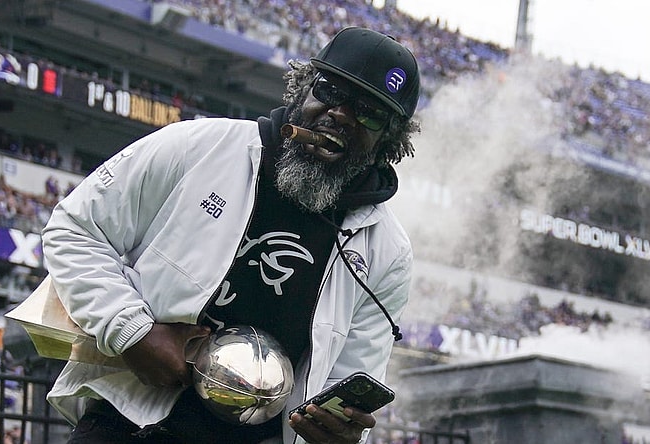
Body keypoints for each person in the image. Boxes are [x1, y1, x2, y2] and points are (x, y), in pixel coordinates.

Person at [41, 26, 421, 444]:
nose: (341, 115)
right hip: (124, 426)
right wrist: (131, 331)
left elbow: (349, 382)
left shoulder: (387, 251)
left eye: (369, 113)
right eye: (330, 91)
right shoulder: (199, 146)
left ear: (389, 140)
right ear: (302, 88)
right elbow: (75, 228)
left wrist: (339, 433)